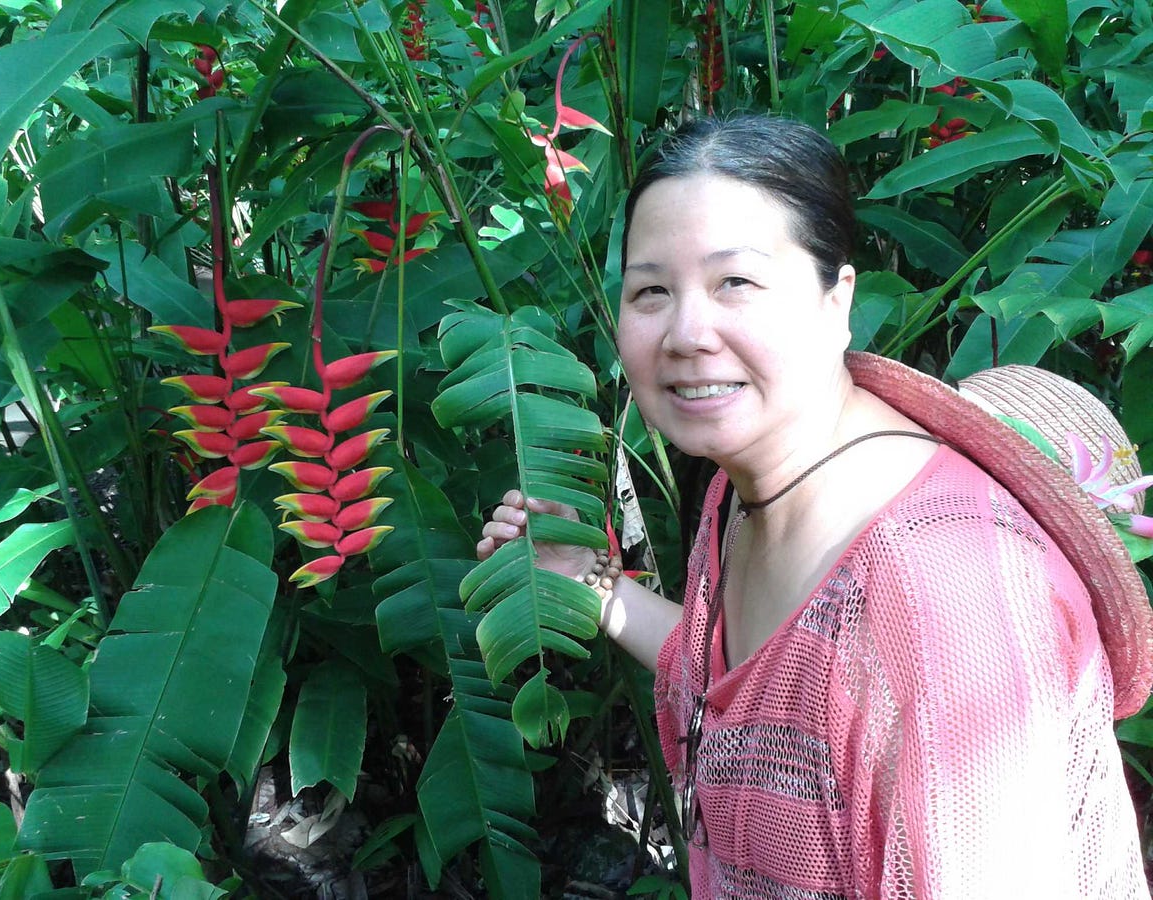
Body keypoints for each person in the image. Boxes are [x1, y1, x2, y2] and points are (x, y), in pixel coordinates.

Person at [476, 115, 1153, 898]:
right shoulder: (749, 487)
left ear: (838, 301)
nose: (687, 333)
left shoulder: (942, 597)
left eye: (736, 283)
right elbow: (753, 695)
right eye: (651, 290)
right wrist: (589, 582)